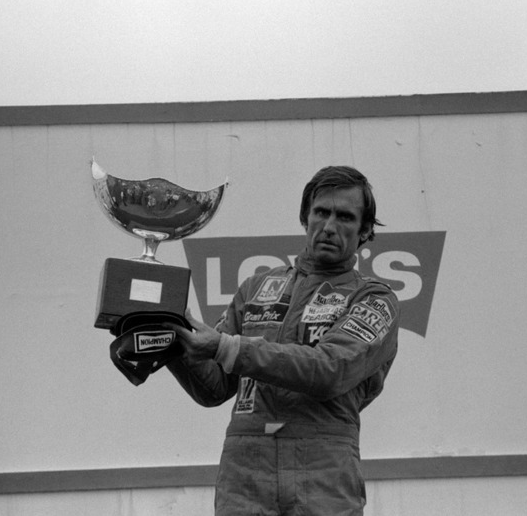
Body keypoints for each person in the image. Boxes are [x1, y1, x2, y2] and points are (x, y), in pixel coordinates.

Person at [165, 166, 399, 515]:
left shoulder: (373, 299)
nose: (329, 226)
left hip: (324, 471)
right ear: (305, 217)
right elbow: (213, 388)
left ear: (365, 230)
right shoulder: (256, 289)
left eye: (345, 217)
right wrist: (169, 341)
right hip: (244, 471)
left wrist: (227, 347)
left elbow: (329, 370)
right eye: (321, 212)